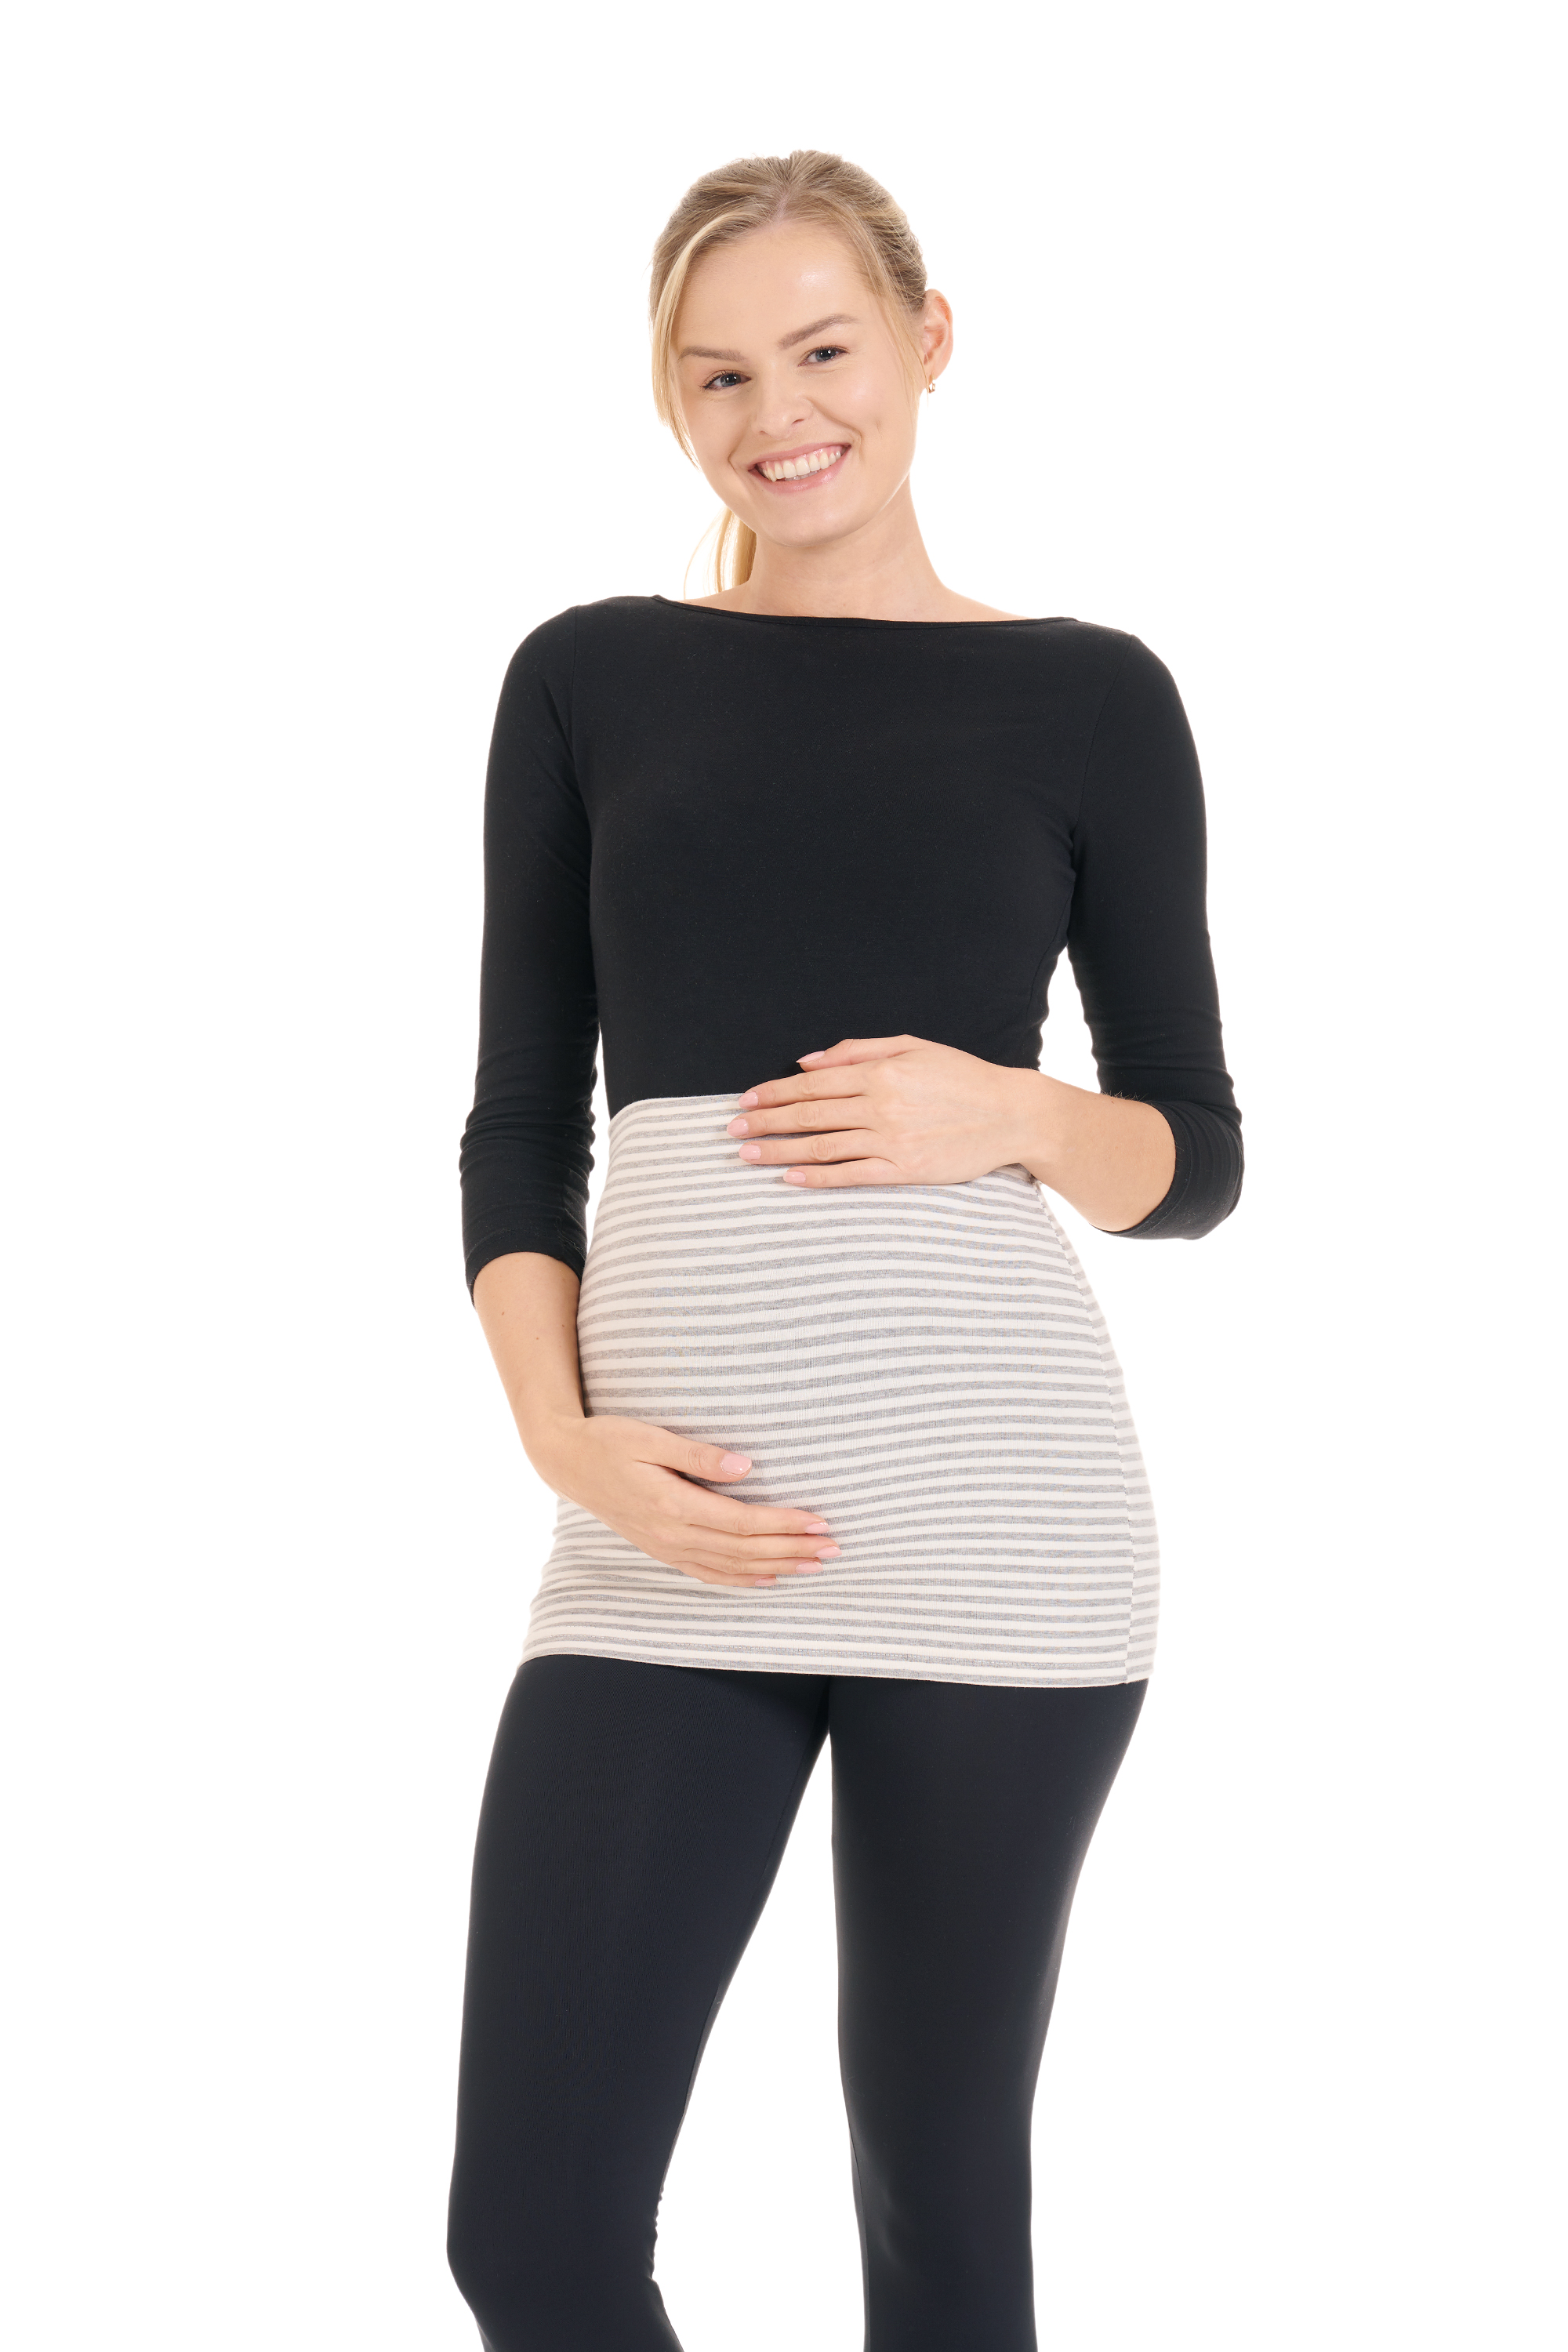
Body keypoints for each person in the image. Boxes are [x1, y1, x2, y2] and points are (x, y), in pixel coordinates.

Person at [447, 148, 1242, 2352]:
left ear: (925, 342)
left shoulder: (1091, 696)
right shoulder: (591, 677)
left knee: (938, 2227)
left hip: (1003, 1537)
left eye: (822, 350)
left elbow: (1192, 1157)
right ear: (671, 401)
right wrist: (564, 1442)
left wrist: (1010, 1112)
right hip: (665, 1539)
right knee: (534, 2239)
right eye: (719, 374)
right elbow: (520, 1126)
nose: (777, 412)